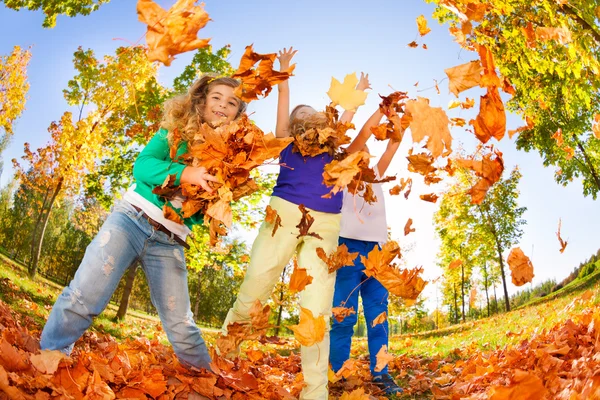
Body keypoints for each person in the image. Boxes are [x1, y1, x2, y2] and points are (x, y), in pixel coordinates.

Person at [40, 76, 247, 371]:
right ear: (201, 101)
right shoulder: (174, 132)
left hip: (171, 240)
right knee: (85, 294)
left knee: (182, 323)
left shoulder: (227, 159)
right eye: (217, 97)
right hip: (131, 219)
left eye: (231, 102)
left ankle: (207, 379)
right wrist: (187, 174)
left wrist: (214, 208)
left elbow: (201, 212)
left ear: (238, 114)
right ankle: (50, 357)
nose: (222, 105)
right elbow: (143, 166)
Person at [221, 48, 371, 400]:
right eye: (298, 113)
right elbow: (284, 100)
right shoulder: (286, 142)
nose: (305, 113)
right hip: (284, 214)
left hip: (326, 224)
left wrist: (358, 96)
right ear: (293, 124)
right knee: (257, 280)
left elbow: (346, 118)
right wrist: (284, 74)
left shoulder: (334, 147)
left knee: (316, 307)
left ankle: (314, 391)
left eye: (310, 111)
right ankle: (225, 354)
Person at [329, 109, 405, 396]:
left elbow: (394, 144)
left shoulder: (377, 176)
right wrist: (380, 110)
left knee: (378, 315)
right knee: (344, 316)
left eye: (367, 154)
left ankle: (381, 373)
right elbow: (361, 135)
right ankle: (338, 372)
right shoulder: (342, 178)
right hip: (347, 249)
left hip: (377, 254)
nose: (364, 155)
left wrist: (402, 121)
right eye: (359, 152)